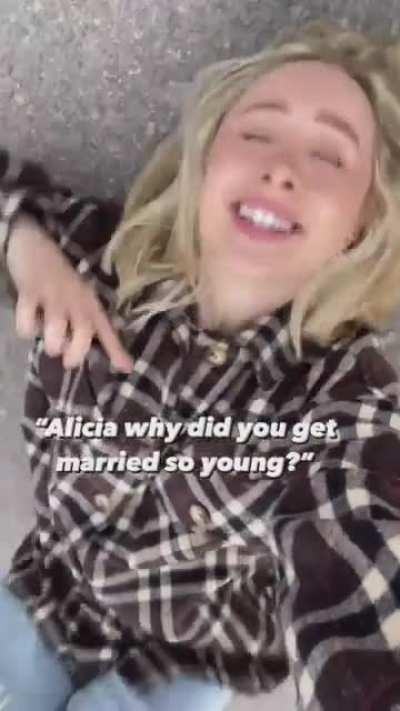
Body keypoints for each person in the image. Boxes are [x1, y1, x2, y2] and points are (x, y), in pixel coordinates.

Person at [0, 16, 400, 711]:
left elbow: (366, 568)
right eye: (258, 133)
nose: (282, 167)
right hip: (46, 590)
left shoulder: (342, 402)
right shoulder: (99, 259)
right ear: (208, 158)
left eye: (329, 158)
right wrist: (24, 242)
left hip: (195, 658)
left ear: (360, 224)